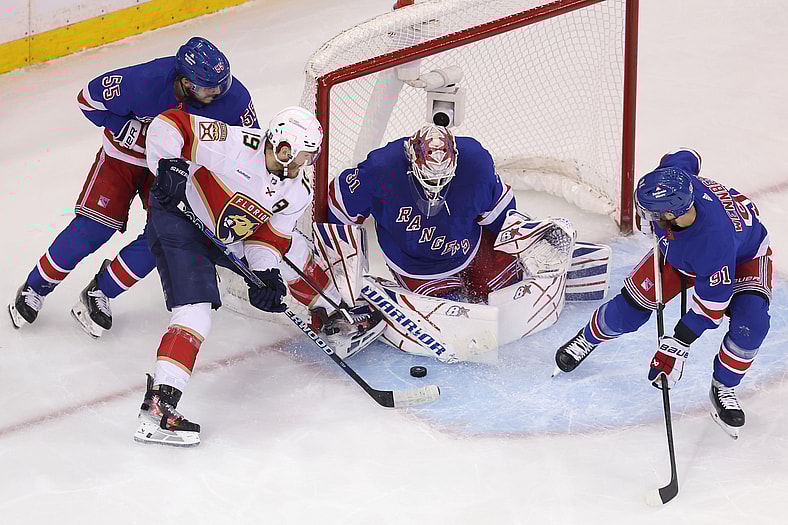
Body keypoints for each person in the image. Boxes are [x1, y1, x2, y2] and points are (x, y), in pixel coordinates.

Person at [134, 106, 383, 447]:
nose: (307, 163)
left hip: (225, 238)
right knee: (195, 311)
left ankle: (330, 314)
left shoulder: (296, 191)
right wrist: (168, 166)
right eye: (304, 155)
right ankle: (157, 408)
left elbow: (268, 239)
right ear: (284, 148)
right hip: (180, 224)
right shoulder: (235, 144)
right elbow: (170, 124)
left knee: (293, 250)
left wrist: (265, 274)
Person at [8, 37, 259, 338]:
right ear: (185, 83)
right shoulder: (145, 81)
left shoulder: (235, 99)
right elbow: (87, 99)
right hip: (123, 158)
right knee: (93, 228)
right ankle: (35, 287)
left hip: (172, 168)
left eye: (222, 83)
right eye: (209, 88)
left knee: (162, 238)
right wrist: (124, 127)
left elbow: (252, 149)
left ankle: (100, 291)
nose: (218, 93)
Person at [554, 149, 772, 437]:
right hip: (681, 251)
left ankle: (723, 386)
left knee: (751, 325)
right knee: (629, 309)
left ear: (671, 214)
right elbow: (687, 155)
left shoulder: (713, 243)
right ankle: (587, 338)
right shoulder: (677, 180)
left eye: (651, 214)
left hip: (743, 257)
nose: (645, 218)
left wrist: (678, 344)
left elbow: (710, 310)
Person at [327, 124, 520, 302]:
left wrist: (522, 244)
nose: (436, 186)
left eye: (443, 178)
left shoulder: (475, 162)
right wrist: (341, 269)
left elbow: (503, 216)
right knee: (452, 314)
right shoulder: (381, 168)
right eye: (429, 179)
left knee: (509, 296)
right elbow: (340, 206)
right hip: (417, 266)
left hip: (471, 245)